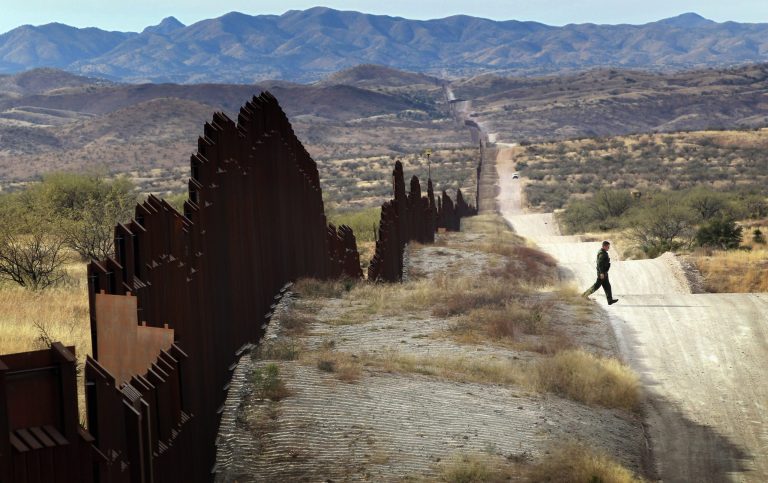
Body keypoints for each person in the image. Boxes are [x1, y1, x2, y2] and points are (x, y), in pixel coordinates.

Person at [582, 241, 619, 305]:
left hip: (604, 273)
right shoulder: (602, 254)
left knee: (607, 286)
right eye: (608, 246)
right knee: (596, 286)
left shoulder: (604, 252)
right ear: (604, 246)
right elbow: (600, 264)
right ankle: (584, 295)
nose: (608, 248)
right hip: (602, 274)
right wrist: (601, 273)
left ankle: (610, 300)